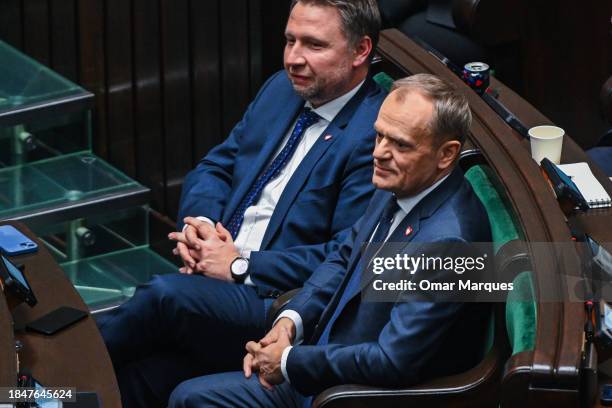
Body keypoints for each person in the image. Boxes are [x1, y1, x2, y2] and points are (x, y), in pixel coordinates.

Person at [97, 0, 384, 407]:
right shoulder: (280, 90)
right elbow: (218, 164)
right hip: (213, 271)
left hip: (270, 297)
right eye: (289, 40)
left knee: (164, 297)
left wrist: (238, 263)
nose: (293, 58)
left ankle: (46, 380)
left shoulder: (374, 136)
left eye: (314, 45)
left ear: (360, 51)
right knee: (142, 379)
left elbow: (344, 255)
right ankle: (45, 397)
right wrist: (202, 228)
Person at [167, 73, 493, 407]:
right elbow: (341, 259)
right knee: (185, 392)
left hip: (356, 396)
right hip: (321, 367)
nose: (379, 153)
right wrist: (290, 323)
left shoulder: (450, 242)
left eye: (400, 144)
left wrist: (288, 361)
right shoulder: (400, 183)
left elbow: (393, 361)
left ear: (446, 154)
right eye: (379, 136)